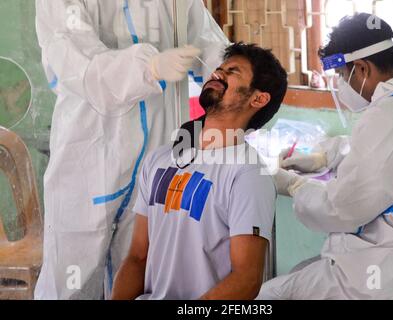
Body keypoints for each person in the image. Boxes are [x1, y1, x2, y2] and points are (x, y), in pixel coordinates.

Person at [34, 0, 229, 299]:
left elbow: (207, 40)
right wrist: (148, 68)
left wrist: (233, 71)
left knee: (142, 268)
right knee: (72, 276)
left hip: (158, 154)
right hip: (91, 153)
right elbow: (78, 65)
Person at [258, 13, 393, 300]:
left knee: (266, 295)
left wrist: (295, 187)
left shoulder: (387, 117)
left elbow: (341, 210)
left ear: (362, 68)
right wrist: (327, 156)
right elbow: (391, 152)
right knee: (299, 273)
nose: (340, 85)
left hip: (390, 269)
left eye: (341, 75)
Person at [111, 43, 288, 300]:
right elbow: (138, 257)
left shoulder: (248, 174)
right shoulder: (160, 160)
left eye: (233, 71)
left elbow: (246, 279)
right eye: (219, 68)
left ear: (258, 98)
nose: (218, 73)